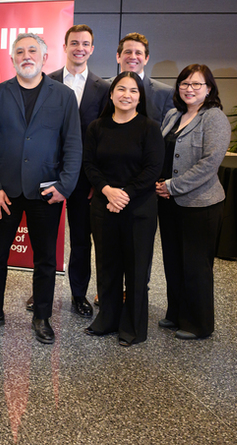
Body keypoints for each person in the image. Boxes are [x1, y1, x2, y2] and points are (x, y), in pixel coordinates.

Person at [0, 33, 82, 345]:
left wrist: (65, 186)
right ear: (12, 59)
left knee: (46, 259)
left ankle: (42, 316)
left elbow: (74, 145)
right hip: (3, 193)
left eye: (32, 50)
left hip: (47, 193)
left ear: (45, 57)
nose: (26, 56)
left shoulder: (63, 96)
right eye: (19, 52)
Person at [26, 25, 108, 318]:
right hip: (47, 173)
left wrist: (96, 180)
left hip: (84, 177)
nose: (80, 48)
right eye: (74, 43)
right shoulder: (46, 81)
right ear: (65, 46)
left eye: (86, 43)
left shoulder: (104, 88)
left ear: (92, 49)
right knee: (44, 237)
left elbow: (104, 138)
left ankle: (78, 293)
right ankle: (41, 292)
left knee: (82, 238)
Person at [83, 71, 165, 347]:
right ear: (111, 93)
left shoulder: (150, 127)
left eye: (133, 91)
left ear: (140, 97)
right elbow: (90, 165)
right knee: (107, 265)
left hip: (138, 208)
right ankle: (107, 319)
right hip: (103, 205)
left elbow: (153, 168)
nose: (126, 95)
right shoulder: (97, 127)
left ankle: (132, 327)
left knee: (136, 268)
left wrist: (125, 194)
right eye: (121, 89)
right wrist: (107, 190)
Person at [156, 64, 230, 340]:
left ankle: (198, 323)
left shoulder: (214, 118)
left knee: (196, 265)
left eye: (196, 84)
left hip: (201, 204)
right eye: (184, 84)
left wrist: (173, 186)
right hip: (169, 202)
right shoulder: (174, 115)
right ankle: (176, 313)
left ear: (208, 88)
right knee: (173, 260)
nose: (189, 89)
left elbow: (210, 163)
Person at [114, 32, 174, 125]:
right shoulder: (104, 88)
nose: (133, 57)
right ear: (118, 57)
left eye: (138, 53)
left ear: (146, 59)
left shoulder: (165, 94)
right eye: (128, 52)